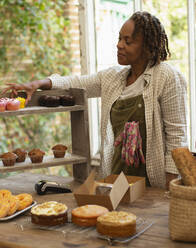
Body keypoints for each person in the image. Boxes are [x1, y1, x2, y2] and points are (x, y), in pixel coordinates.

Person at [1, 11, 188, 189]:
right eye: (119, 39)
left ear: (147, 46)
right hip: (115, 180)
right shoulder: (113, 78)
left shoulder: (166, 76)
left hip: (152, 183)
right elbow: (76, 82)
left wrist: (170, 186)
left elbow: (176, 136)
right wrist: (38, 83)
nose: (119, 45)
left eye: (128, 41)